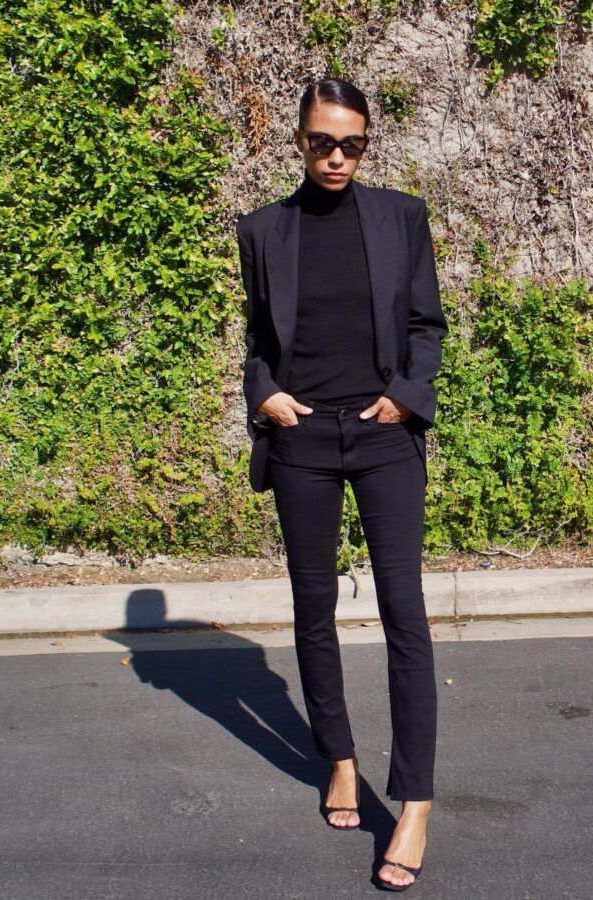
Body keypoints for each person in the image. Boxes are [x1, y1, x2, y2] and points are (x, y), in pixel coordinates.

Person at [235, 77, 448, 892]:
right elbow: (259, 336)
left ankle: (416, 803)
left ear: (365, 145)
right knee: (313, 607)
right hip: (303, 437)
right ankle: (341, 761)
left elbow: (426, 324)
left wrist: (407, 396)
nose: (336, 157)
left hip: (384, 433)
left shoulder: (401, 217)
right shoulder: (263, 229)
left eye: (351, 145)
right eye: (323, 142)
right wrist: (264, 394)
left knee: (405, 612)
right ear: (298, 141)